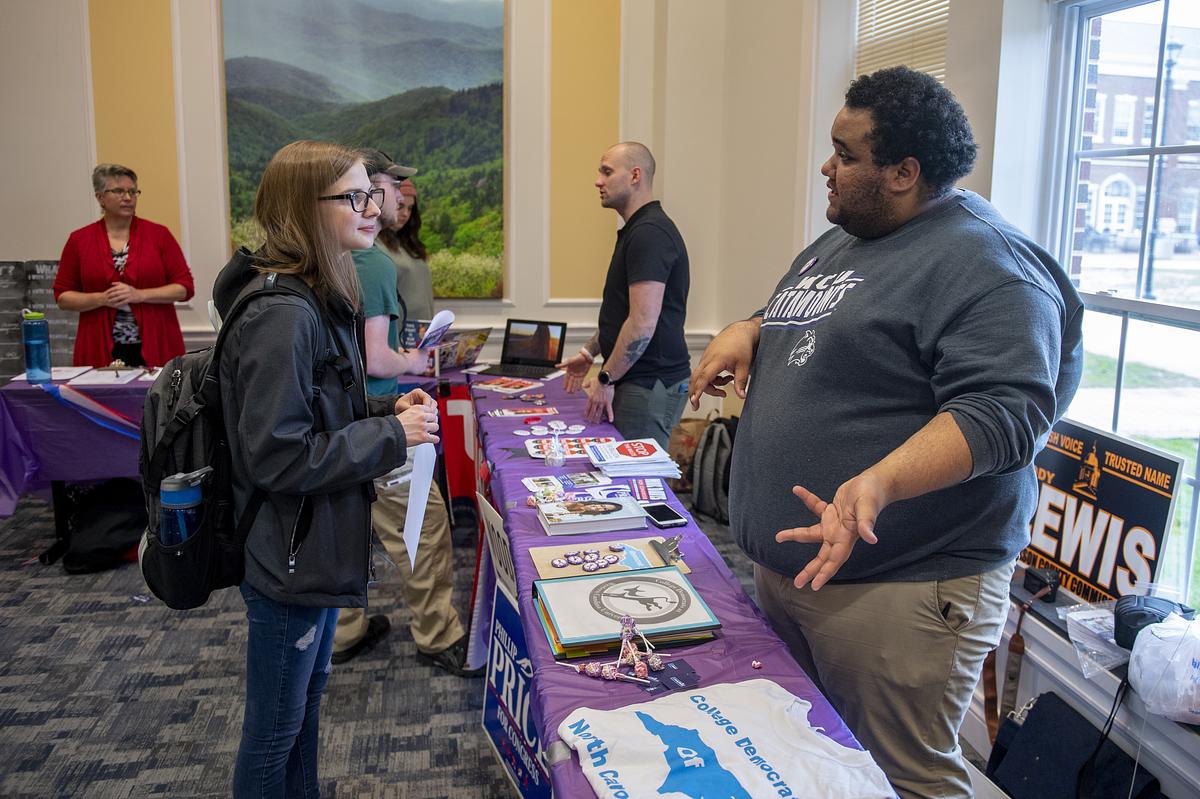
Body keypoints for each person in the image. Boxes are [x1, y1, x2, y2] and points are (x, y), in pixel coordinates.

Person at [689, 67, 1083, 799]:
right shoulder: (848, 238)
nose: (825, 167)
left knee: (902, 781)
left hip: (903, 584)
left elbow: (1006, 412)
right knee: (811, 764)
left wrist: (879, 481)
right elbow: (800, 316)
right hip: (805, 571)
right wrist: (748, 327)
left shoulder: (990, 263)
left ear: (904, 171)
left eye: (844, 153)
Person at [211, 140, 441, 796]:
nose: (374, 207)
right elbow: (279, 454)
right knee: (275, 731)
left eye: (373, 193)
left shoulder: (314, 294)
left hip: (310, 544)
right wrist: (392, 434)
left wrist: (382, 405)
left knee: (303, 716)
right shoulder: (281, 312)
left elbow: (323, 407)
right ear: (302, 208)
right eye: (355, 196)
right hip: (288, 551)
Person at [334, 149, 480, 677]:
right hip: (380, 420)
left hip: (334, 423)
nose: (400, 197)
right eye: (395, 186)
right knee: (423, 526)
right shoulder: (371, 261)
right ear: (369, 190)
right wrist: (416, 358)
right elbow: (377, 358)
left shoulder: (327, 253)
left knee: (344, 526)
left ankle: (344, 631)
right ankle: (438, 635)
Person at [557, 142, 691, 449]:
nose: (598, 181)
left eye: (606, 171)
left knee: (638, 486)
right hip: (639, 380)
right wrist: (591, 352)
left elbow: (642, 322)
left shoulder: (649, 233)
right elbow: (625, 312)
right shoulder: (639, 230)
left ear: (634, 176)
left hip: (647, 383)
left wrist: (605, 379)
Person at [54, 164, 195, 367]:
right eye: (119, 191)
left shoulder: (159, 235)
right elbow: (63, 297)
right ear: (100, 197)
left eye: (132, 191)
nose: (128, 197)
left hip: (157, 342)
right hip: (98, 346)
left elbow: (184, 287)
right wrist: (101, 298)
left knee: (160, 397)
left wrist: (139, 295)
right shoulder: (79, 240)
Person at [377, 177, 435, 322]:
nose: (405, 214)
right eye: (400, 206)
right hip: (397, 332)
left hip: (422, 331)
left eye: (410, 208)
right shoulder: (374, 246)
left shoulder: (408, 245)